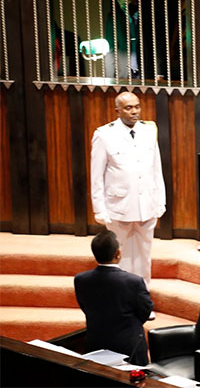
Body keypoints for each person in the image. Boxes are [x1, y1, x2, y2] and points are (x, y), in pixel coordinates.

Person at [90, 91, 165, 300]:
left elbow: (155, 168)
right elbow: (96, 175)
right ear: (117, 111)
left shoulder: (149, 131)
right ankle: (121, 298)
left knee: (144, 255)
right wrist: (99, 209)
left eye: (137, 107)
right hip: (119, 205)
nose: (134, 112)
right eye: (128, 108)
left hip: (146, 204)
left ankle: (142, 297)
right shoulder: (104, 135)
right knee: (120, 255)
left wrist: (160, 200)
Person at [74, 230, 154, 365]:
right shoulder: (134, 281)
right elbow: (145, 311)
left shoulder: (81, 279)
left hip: (96, 341)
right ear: (118, 254)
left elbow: (84, 306)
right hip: (129, 346)